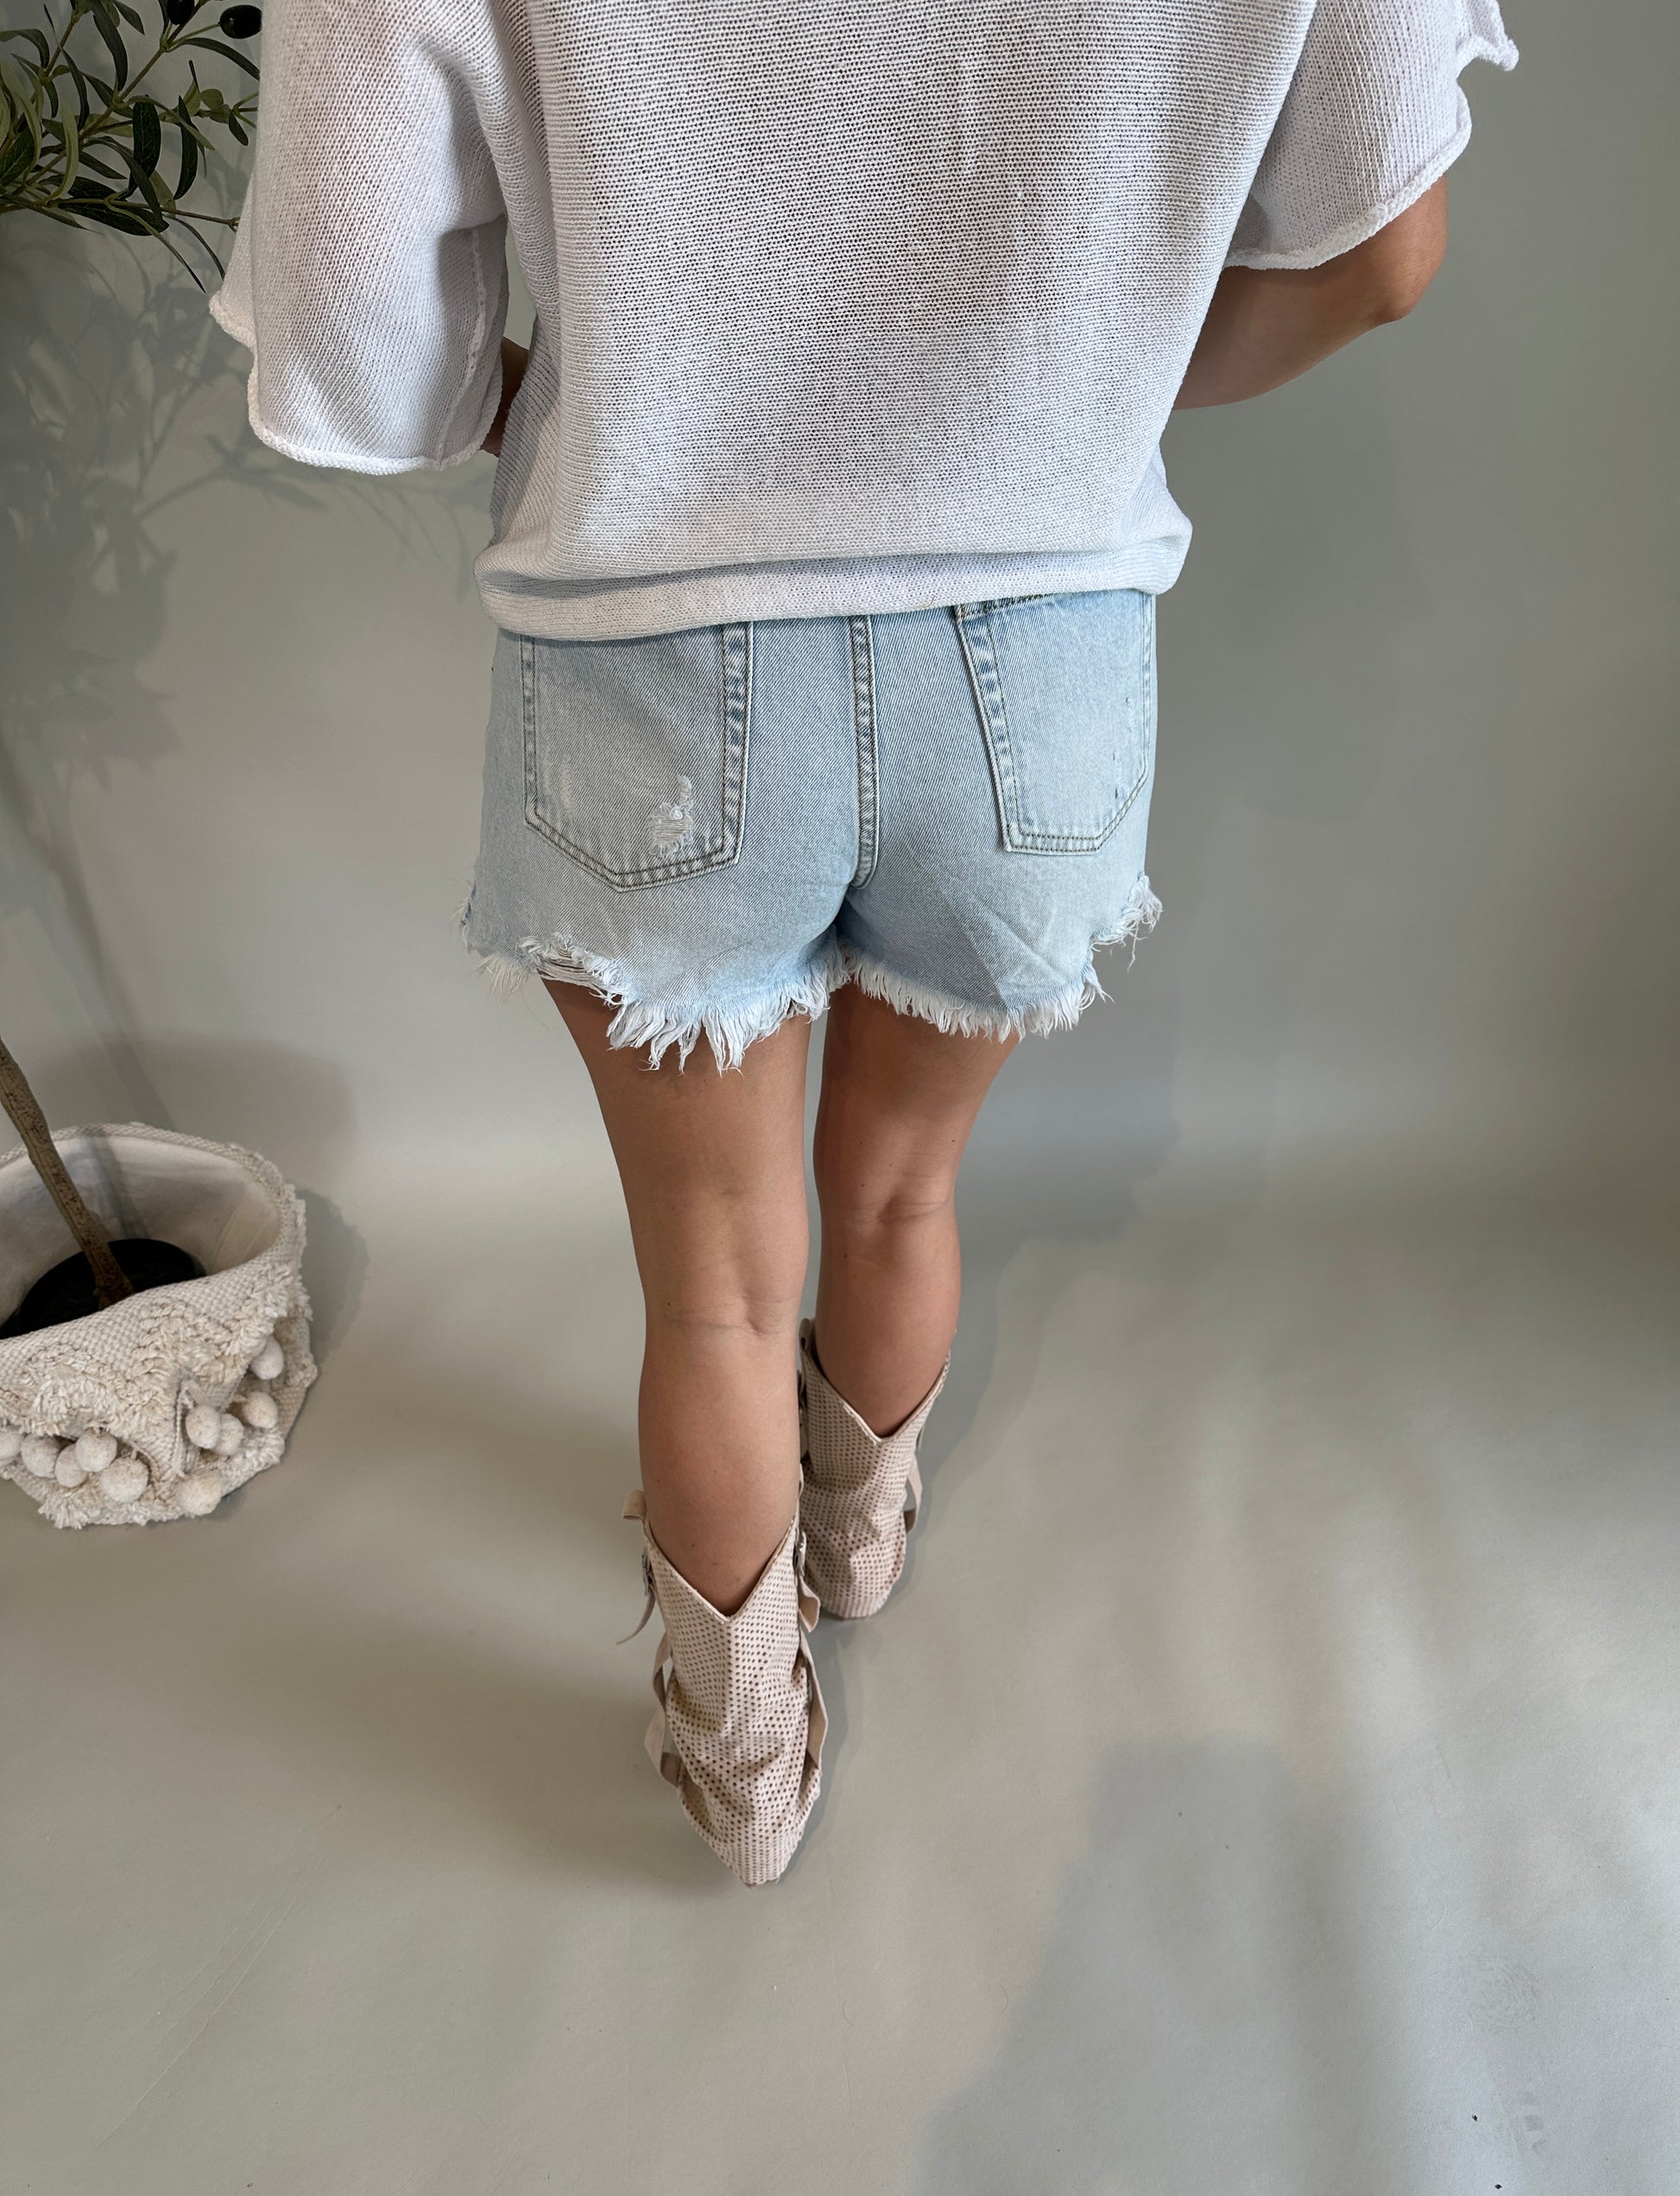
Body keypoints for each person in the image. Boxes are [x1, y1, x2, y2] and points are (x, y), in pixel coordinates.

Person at [210, 0, 1516, 1885]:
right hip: (1041, 650)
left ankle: (741, 1772)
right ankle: (860, 1544)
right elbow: (1386, 252)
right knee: (900, 1191)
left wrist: (549, 399)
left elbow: (348, 325)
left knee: (714, 1290)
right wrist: (1075, 392)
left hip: (651, 644)